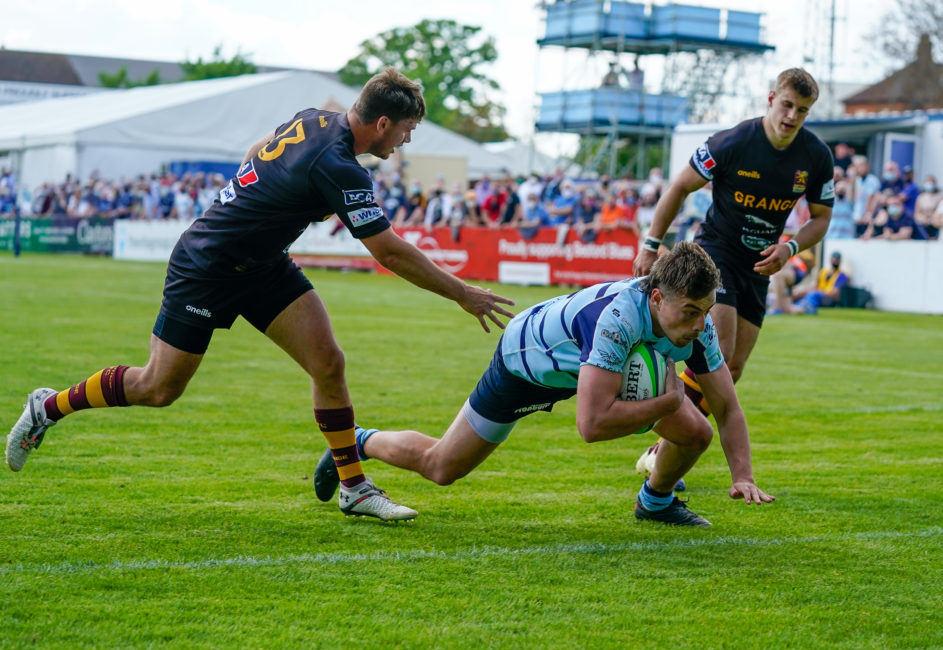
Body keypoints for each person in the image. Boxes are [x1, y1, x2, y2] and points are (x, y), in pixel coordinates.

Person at [4, 67, 516, 522]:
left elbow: (257, 150)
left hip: (263, 265)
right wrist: (462, 293)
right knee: (157, 388)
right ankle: (49, 406)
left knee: (328, 363)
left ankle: (355, 487)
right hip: (207, 266)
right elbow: (390, 252)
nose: (406, 140)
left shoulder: (315, 118)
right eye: (407, 130)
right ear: (383, 124)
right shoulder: (341, 167)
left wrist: (256, 198)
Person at [313, 242, 775, 526]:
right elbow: (591, 425)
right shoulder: (617, 320)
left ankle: (655, 502)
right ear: (656, 298)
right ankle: (358, 442)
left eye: (704, 312)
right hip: (525, 364)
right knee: (442, 467)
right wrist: (667, 402)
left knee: (696, 432)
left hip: (585, 369)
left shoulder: (698, 325)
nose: (699, 324)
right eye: (690, 313)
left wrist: (743, 476)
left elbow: (727, 406)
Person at [633, 67, 834, 422]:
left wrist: (789, 248)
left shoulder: (816, 157)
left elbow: (820, 218)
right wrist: (651, 244)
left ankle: (668, 444)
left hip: (760, 265)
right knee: (720, 353)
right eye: (787, 105)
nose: (792, 116)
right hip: (718, 253)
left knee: (733, 368)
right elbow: (680, 186)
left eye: (802, 110)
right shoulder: (733, 142)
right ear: (771, 99)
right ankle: (671, 432)